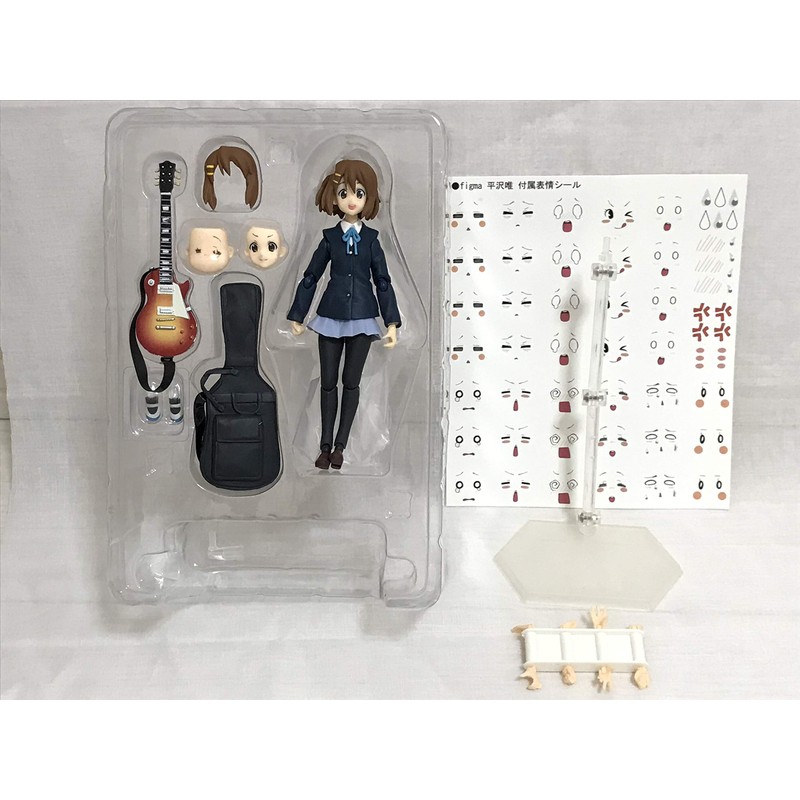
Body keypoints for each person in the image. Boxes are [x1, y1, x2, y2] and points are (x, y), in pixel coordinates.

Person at [287, 159, 400, 470]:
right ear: (333, 196)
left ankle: (340, 446)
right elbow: (310, 276)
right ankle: (323, 446)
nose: (351, 200)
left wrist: (392, 322)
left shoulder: (372, 240)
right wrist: (297, 314)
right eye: (344, 192)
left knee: (351, 382)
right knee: (328, 382)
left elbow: (383, 280)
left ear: (368, 198)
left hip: (363, 317)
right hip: (330, 316)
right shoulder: (330, 238)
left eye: (359, 193)